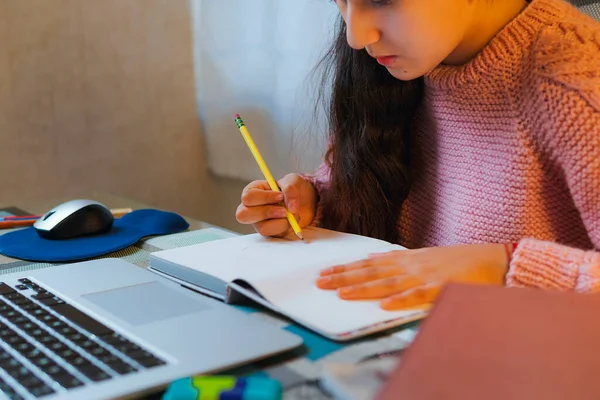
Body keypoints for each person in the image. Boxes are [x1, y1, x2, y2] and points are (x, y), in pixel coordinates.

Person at [235, 0, 600, 310]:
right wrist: (314, 201)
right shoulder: (400, 66)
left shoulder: (574, 75)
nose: (355, 36)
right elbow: (369, 187)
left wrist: (503, 267)